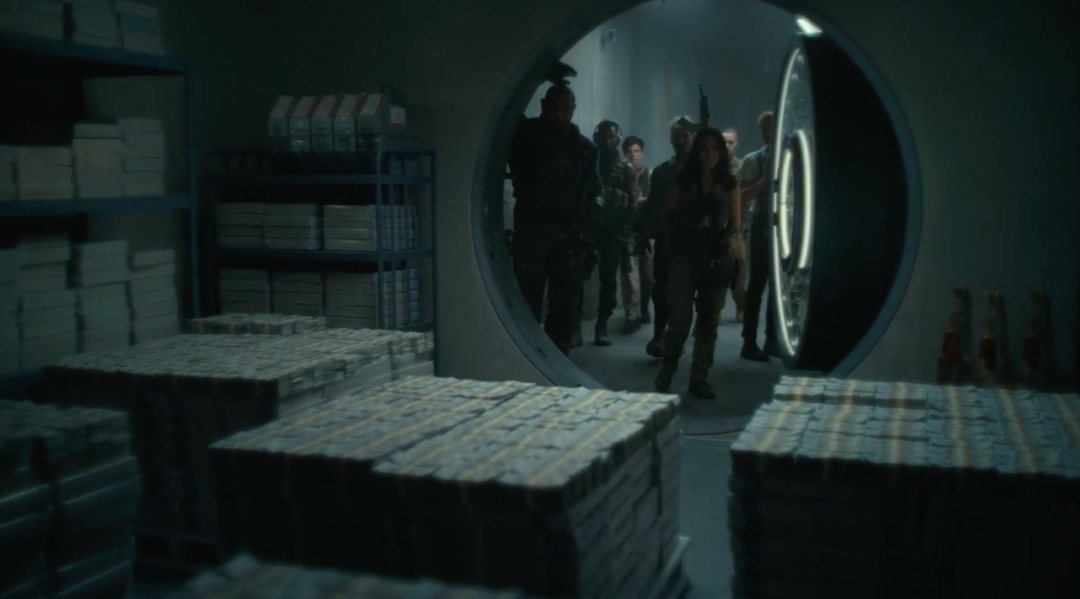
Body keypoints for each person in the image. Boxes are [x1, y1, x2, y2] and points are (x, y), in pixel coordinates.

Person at [507, 83, 604, 356]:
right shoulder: (526, 136)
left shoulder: (585, 148)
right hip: (533, 229)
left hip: (569, 234)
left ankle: (556, 358)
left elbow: (596, 186)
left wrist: (596, 206)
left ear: (573, 109)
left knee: (565, 305)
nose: (559, 114)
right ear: (543, 106)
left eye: (565, 108)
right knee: (527, 302)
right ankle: (527, 358)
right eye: (553, 107)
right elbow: (509, 109)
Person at [654, 127, 742, 399]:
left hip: (716, 259)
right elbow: (667, 215)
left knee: (708, 320)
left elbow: (735, 223)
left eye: (715, 149)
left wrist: (722, 240)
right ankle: (668, 367)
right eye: (704, 149)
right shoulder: (683, 180)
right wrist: (687, 220)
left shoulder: (729, 183)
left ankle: (699, 376)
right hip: (685, 255)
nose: (710, 154)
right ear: (696, 152)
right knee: (680, 319)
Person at [576, 120, 639, 345]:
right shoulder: (587, 160)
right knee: (577, 276)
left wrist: (626, 229)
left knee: (608, 281)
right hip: (588, 228)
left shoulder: (625, 168)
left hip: (612, 230)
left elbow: (633, 201)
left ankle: (602, 324)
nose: (607, 141)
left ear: (617, 138)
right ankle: (575, 325)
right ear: (596, 138)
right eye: (603, 137)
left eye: (611, 137)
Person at [640, 116, 697, 358]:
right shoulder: (663, 171)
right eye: (675, 136)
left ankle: (676, 337)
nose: (679, 141)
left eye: (684, 136)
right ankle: (659, 335)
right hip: (667, 237)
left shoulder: (702, 170)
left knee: (684, 292)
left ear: (693, 138)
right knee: (661, 288)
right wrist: (644, 231)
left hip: (693, 239)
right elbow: (653, 204)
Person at [739, 111, 780, 362]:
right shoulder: (753, 160)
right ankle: (749, 341)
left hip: (784, 225)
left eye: (771, 129)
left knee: (778, 285)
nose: (768, 134)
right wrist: (764, 181)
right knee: (757, 284)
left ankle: (772, 338)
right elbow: (741, 196)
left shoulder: (789, 157)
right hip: (762, 223)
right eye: (764, 130)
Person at [623, 135, 653, 326]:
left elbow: (655, 199)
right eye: (629, 152)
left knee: (647, 275)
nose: (633, 155)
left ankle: (643, 308)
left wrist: (642, 201)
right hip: (627, 230)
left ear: (642, 153)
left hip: (646, 231)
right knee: (629, 275)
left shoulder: (649, 175)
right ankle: (632, 316)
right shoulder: (620, 175)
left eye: (636, 151)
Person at [719, 127, 747, 324]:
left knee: (738, 272)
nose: (727, 146)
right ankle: (717, 309)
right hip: (717, 224)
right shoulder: (713, 166)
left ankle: (741, 307)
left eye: (730, 142)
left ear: (736, 144)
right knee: (717, 272)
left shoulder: (742, 166)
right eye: (724, 142)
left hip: (738, 225)